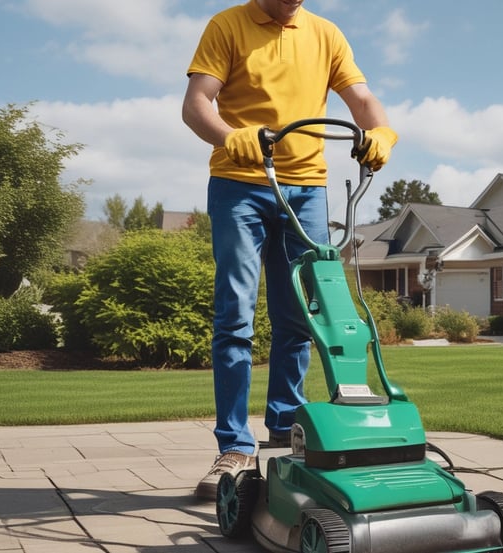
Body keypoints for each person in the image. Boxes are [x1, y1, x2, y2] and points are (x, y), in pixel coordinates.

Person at [182, 0, 398, 500]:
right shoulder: (227, 25)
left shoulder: (326, 33)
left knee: (300, 316)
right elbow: (196, 104)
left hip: (308, 189)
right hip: (240, 183)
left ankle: (283, 429)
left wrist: (382, 132)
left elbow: (361, 99)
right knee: (235, 316)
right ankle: (234, 446)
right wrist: (229, 137)